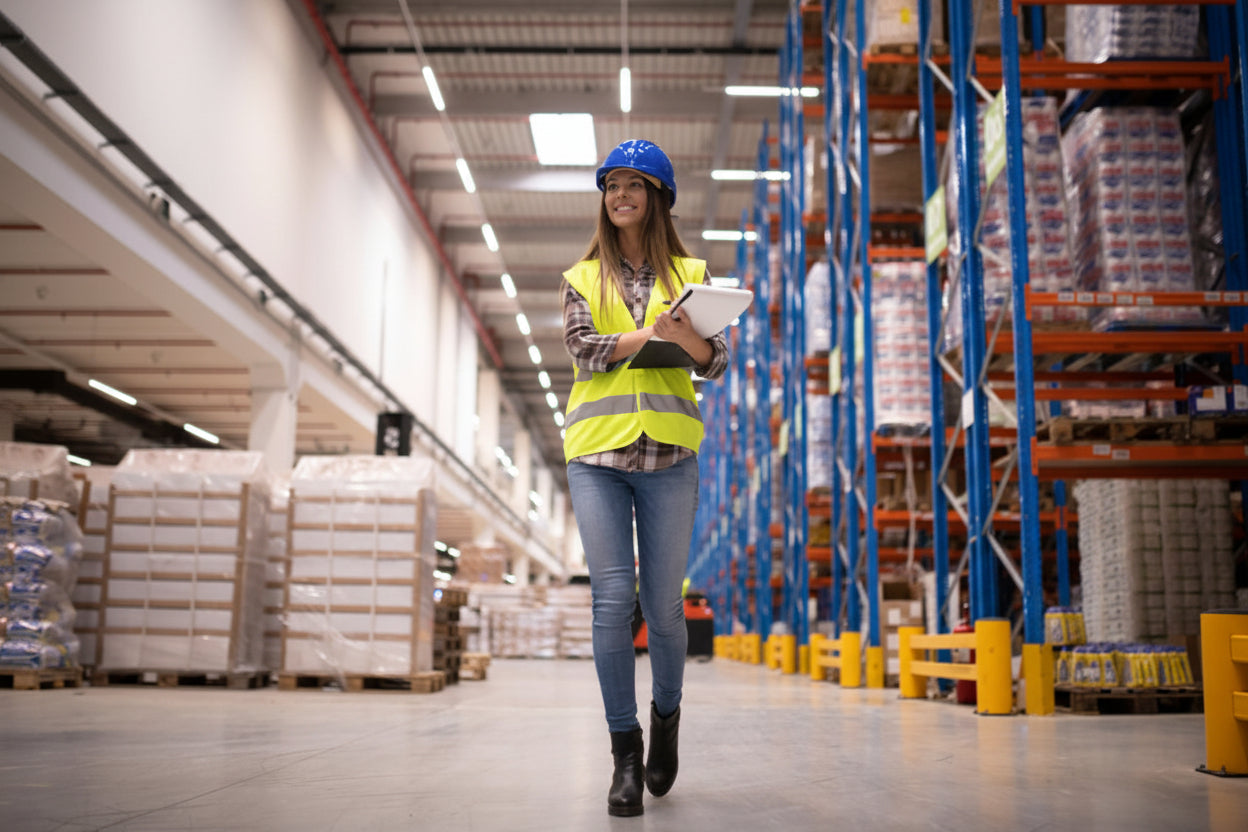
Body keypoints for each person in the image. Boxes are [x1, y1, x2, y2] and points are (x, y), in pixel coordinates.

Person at [560, 139, 728, 817]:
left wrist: (685, 336)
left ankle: (666, 721)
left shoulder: (692, 271)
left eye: (635, 183)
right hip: (597, 454)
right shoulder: (581, 276)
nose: (621, 194)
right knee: (610, 600)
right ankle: (624, 754)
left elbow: (714, 361)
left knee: (663, 607)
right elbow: (585, 349)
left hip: (669, 457)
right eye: (612, 185)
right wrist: (648, 335)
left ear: (658, 196)